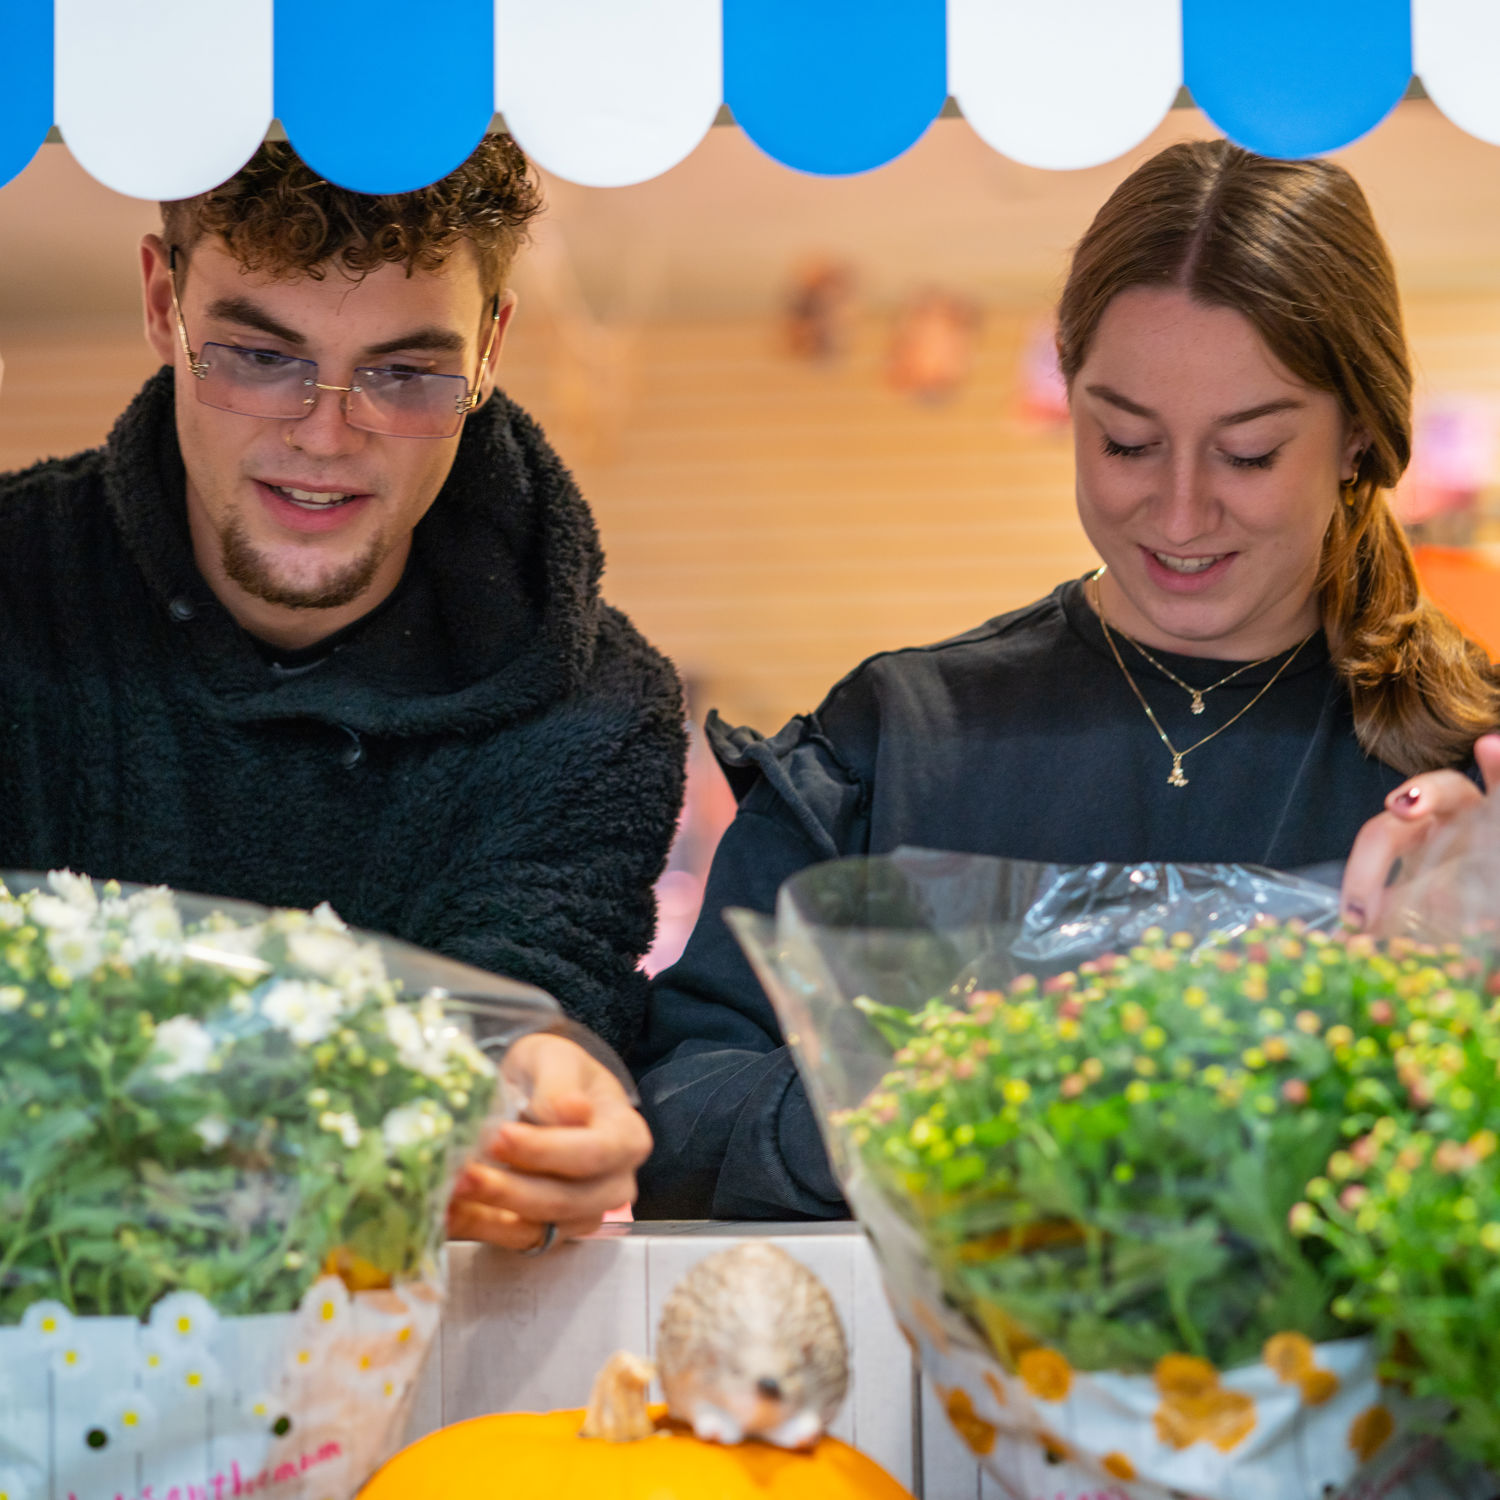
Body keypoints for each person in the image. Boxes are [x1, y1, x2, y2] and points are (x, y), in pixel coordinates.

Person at [632, 138, 1500, 1221]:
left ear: (1361, 435)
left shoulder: (1471, 771)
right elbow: (676, 1113)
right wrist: (950, 1114)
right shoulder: (896, 737)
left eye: (1248, 454)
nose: (1180, 514)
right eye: (1127, 443)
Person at [0, 136, 685, 1251]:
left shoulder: (597, 705)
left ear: (489, 347)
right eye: (259, 359)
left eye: (404, 374)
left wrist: (551, 1090)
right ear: (160, 300)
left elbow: (527, 991)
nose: (325, 436)